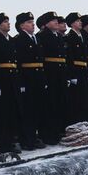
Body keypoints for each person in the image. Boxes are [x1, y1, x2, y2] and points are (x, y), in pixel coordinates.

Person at [0, 12, 23, 153]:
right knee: (0, 114)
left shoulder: (11, 40)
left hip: (12, 79)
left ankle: (10, 141)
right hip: (1, 80)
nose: (8, 24)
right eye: (5, 21)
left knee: (11, 112)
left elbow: (16, 62)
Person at [12, 11, 46, 149]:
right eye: (28, 22)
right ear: (21, 26)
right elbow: (18, 64)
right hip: (27, 79)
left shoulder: (35, 39)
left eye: (32, 22)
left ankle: (34, 137)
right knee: (27, 112)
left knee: (36, 110)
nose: (32, 25)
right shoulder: (19, 40)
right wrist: (21, 83)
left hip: (37, 78)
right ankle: (26, 140)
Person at [37, 11, 67, 144]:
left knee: (60, 103)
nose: (56, 22)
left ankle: (59, 131)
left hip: (60, 73)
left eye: (56, 20)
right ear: (46, 23)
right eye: (53, 20)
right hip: (50, 73)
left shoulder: (59, 36)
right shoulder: (42, 36)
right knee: (50, 105)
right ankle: (48, 135)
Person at [62, 12, 88, 127]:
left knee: (84, 99)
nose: (80, 23)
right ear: (72, 24)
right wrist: (72, 75)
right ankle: (77, 125)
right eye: (78, 21)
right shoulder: (69, 37)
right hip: (76, 71)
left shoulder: (81, 36)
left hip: (83, 70)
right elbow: (69, 57)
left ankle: (85, 123)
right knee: (77, 100)